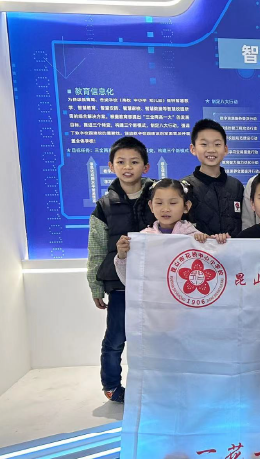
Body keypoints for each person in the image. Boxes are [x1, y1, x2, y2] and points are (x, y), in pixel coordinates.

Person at [86, 136, 155, 403]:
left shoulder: (159, 196)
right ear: (111, 166)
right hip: (119, 284)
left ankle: (154, 384)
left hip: (155, 283)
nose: (128, 167)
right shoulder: (104, 206)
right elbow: (96, 249)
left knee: (155, 337)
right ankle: (112, 385)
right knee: (115, 338)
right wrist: (95, 285)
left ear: (145, 167)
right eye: (121, 162)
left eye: (134, 162)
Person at [114, 178, 225, 284]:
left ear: (186, 206)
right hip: (155, 297)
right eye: (159, 203)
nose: (165, 209)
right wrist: (122, 256)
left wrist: (219, 244)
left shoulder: (196, 238)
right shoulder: (143, 239)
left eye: (173, 203)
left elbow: (214, 275)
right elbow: (130, 282)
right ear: (151, 206)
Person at [183, 118, 244, 237]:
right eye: (204, 144)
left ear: (225, 149)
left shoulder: (236, 186)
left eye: (217, 144)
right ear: (193, 149)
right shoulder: (184, 187)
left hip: (233, 248)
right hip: (197, 248)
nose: (211, 150)